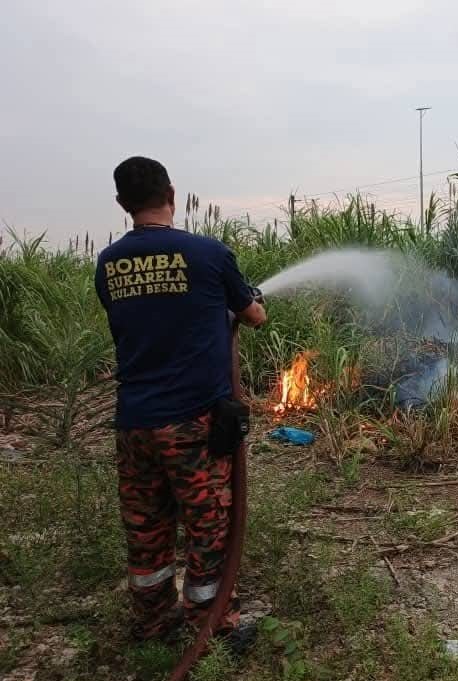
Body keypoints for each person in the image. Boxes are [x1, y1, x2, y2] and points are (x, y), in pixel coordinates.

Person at [94, 156, 265, 646]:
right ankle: (211, 631)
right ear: (171, 193)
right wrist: (247, 298)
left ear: (122, 203)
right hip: (193, 425)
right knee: (209, 530)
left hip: (134, 425)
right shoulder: (208, 253)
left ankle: (153, 624)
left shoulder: (109, 263)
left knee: (146, 530)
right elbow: (253, 315)